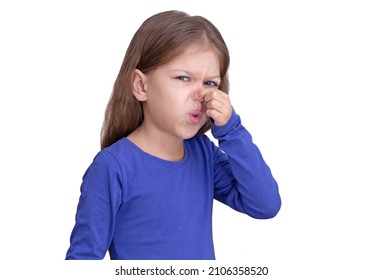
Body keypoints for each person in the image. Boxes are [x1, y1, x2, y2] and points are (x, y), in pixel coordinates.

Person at [65, 10, 281, 260]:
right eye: (183, 78)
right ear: (141, 86)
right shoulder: (113, 167)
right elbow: (82, 260)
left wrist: (231, 129)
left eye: (209, 83)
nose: (200, 94)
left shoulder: (203, 153)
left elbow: (265, 205)